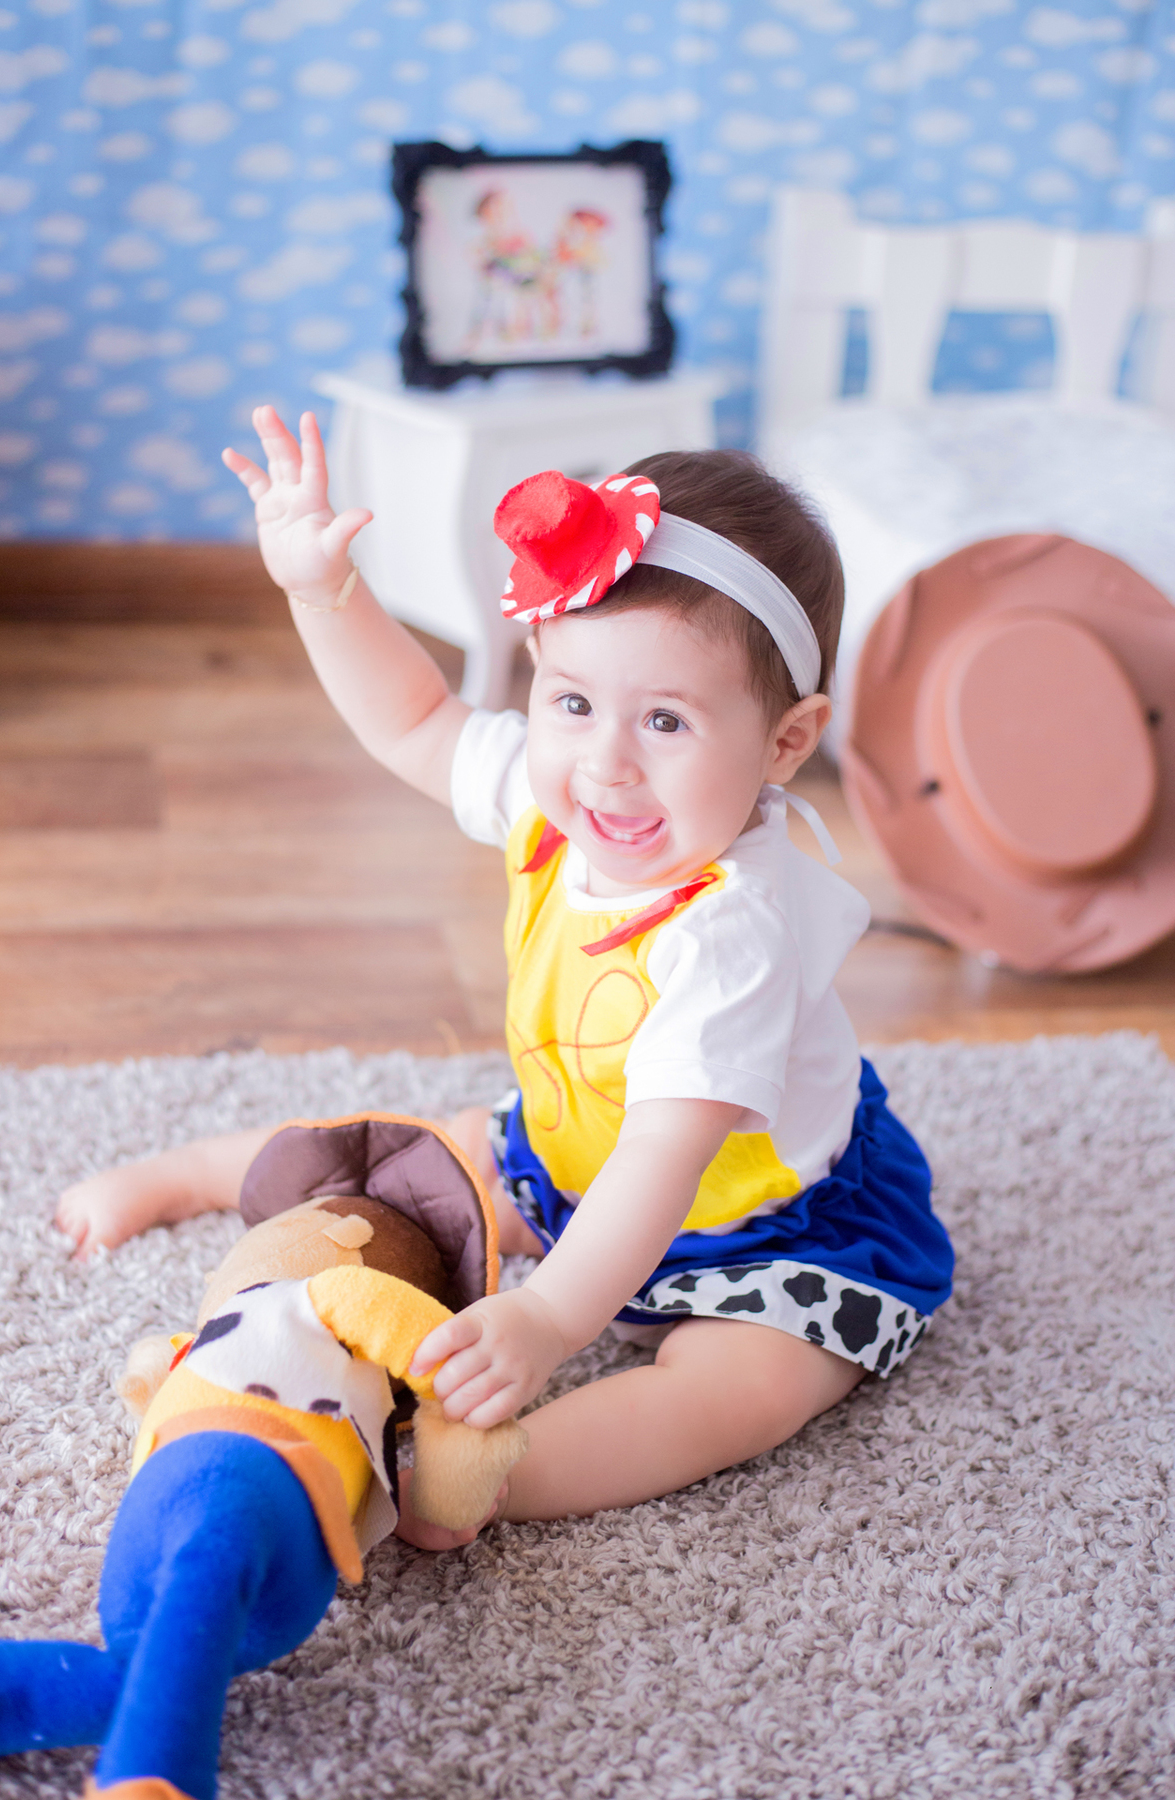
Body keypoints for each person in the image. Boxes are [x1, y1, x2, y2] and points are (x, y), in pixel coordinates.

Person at [57, 407, 954, 1548]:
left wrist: (541, 1318)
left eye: (667, 721)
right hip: (570, 1149)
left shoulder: (737, 933)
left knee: (739, 1388)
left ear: (786, 744)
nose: (607, 765)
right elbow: (416, 719)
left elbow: (663, 1162)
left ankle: (480, 1476)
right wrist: (322, 593)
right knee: (419, 1153)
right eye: (573, 702)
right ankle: (192, 1171)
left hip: (765, 1222)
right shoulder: (557, 794)